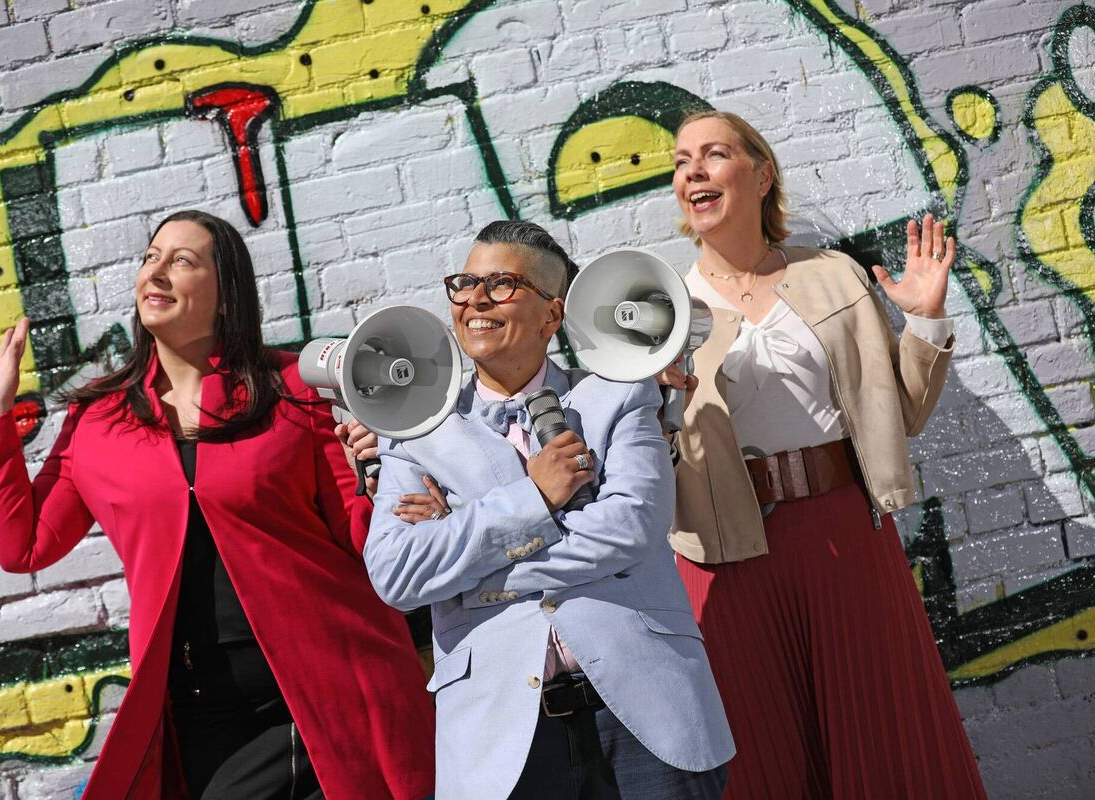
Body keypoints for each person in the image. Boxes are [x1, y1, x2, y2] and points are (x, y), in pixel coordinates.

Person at [0, 210, 435, 800]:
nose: (156, 272)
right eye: (150, 257)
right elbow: (24, 545)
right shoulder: (97, 420)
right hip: (204, 716)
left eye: (182, 260)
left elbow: (359, 539)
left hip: (335, 688)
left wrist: (386, 483)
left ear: (227, 296)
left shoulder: (292, 388)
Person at [660, 110, 986, 798]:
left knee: (884, 739)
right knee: (762, 755)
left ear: (761, 173)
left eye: (714, 154)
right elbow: (647, 454)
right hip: (725, 553)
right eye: (681, 161)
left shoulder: (834, 276)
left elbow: (897, 415)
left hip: (844, 535)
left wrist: (925, 319)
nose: (693, 170)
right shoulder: (658, 309)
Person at [359, 220, 734, 800]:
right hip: (499, 736)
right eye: (464, 283)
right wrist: (532, 498)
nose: (476, 300)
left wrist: (465, 565)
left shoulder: (618, 392)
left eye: (502, 284)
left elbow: (630, 530)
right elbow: (397, 574)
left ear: (551, 315)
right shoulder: (413, 432)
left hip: (647, 714)